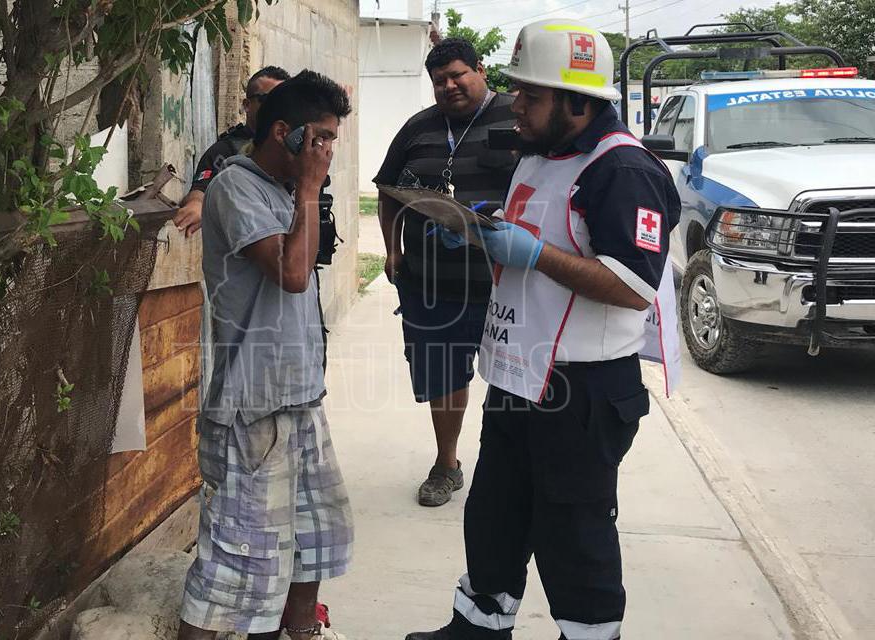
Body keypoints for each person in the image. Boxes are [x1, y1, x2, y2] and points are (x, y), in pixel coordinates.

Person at [406, 19, 680, 640]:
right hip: (517, 376)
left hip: (579, 390)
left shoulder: (623, 171)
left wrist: (533, 254)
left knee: (572, 533)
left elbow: (633, 286)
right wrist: (484, 228)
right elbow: (536, 226)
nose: (517, 106)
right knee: (494, 515)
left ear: (578, 103)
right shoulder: (540, 152)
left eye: (531, 95)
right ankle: (478, 626)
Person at [178, 70, 353, 640]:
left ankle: (299, 632)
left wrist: (306, 190)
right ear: (283, 132)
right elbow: (293, 275)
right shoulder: (236, 187)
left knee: (313, 540)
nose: (327, 152)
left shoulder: (286, 189)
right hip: (252, 408)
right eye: (320, 138)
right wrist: (310, 188)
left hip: (299, 397)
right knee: (233, 571)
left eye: (332, 140)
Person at [373, 38, 517, 507]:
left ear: (481, 70)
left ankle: (512, 467)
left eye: (458, 75)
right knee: (444, 377)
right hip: (432, 284)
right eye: (440, 81)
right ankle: (446, 464)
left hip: (506, 283)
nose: (450, 86)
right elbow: (388, 191)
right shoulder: (418, 128)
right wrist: (392, 250)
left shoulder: (517, 117)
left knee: (515, 379)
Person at [173, 66, 291, 237]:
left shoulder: (293, 147)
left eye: (283, 101)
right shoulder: (226, 150)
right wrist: (196, 205)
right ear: (247, 105)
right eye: (267, 100)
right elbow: (200, 190)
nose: (276, 108)